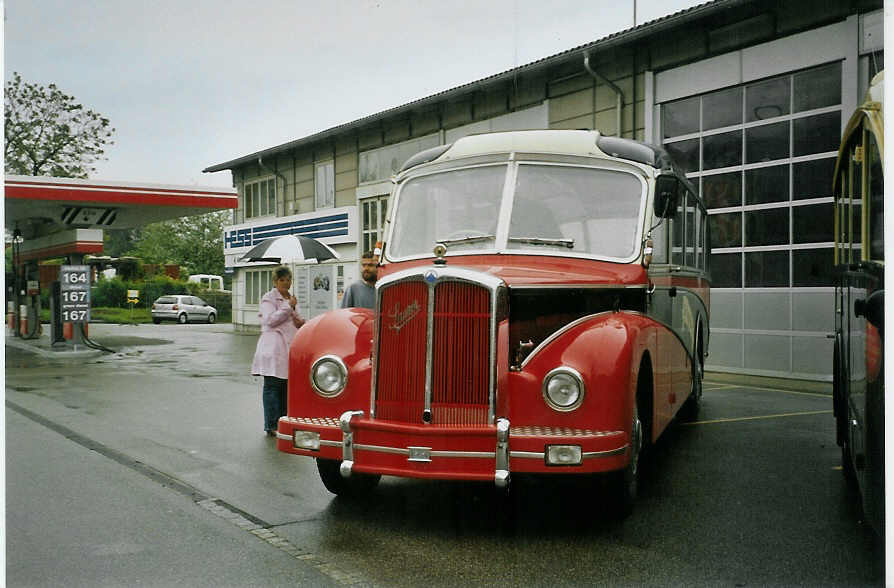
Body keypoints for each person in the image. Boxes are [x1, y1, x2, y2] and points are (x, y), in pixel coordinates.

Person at [251, 266, 305, 436]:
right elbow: (270, 320)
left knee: (286, 386)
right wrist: (289, 307)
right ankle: (271, 424)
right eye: (282, 280)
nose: (286, 283)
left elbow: (296, 321)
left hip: (289, 346)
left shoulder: (291, 298)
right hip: (273, 347)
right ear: (275, 282)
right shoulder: (268, 298)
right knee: (272, 386)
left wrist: (298, 318)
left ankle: (283, 420)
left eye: (289, 279)